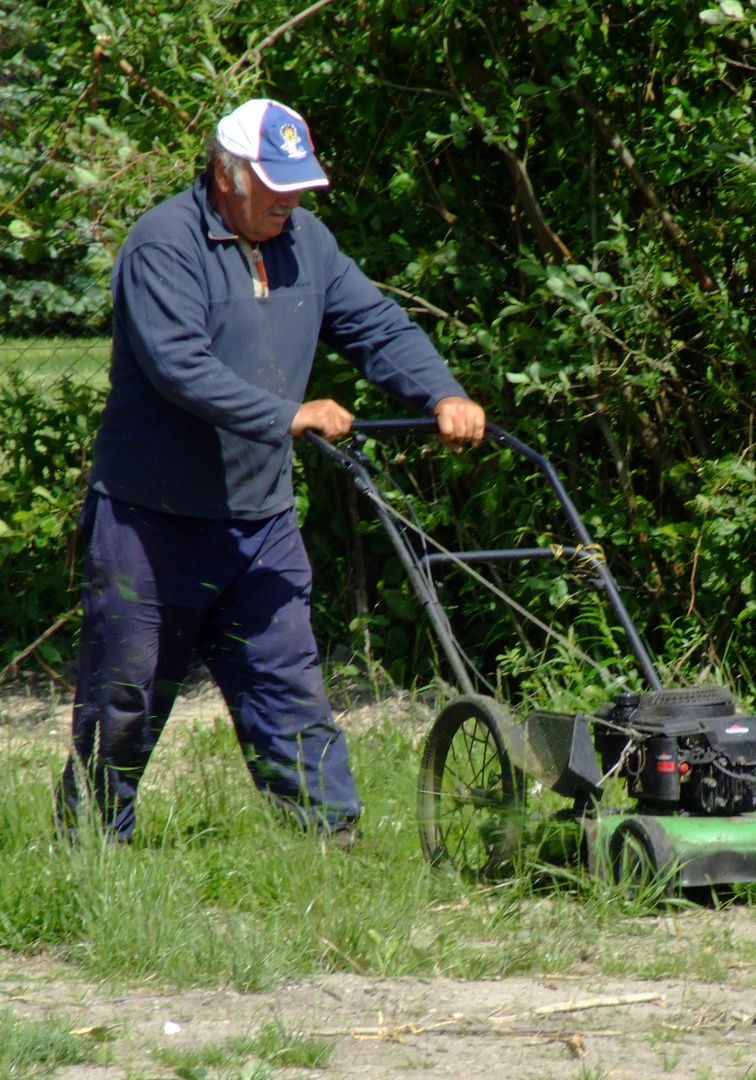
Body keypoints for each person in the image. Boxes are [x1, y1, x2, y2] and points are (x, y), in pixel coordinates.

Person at [57, 99, 485, 845]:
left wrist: (440, 390)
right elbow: (177, 367)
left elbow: (374, 324)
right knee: (122, 700)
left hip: (259, 526)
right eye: (274, 185)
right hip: (148, 525)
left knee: (287, 689)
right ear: (227, 175)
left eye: (297, 186)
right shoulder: (165, 244)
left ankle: (331, 849)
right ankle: (90, 849)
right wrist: (290, 415)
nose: (288, 201)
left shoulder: (304, 242)